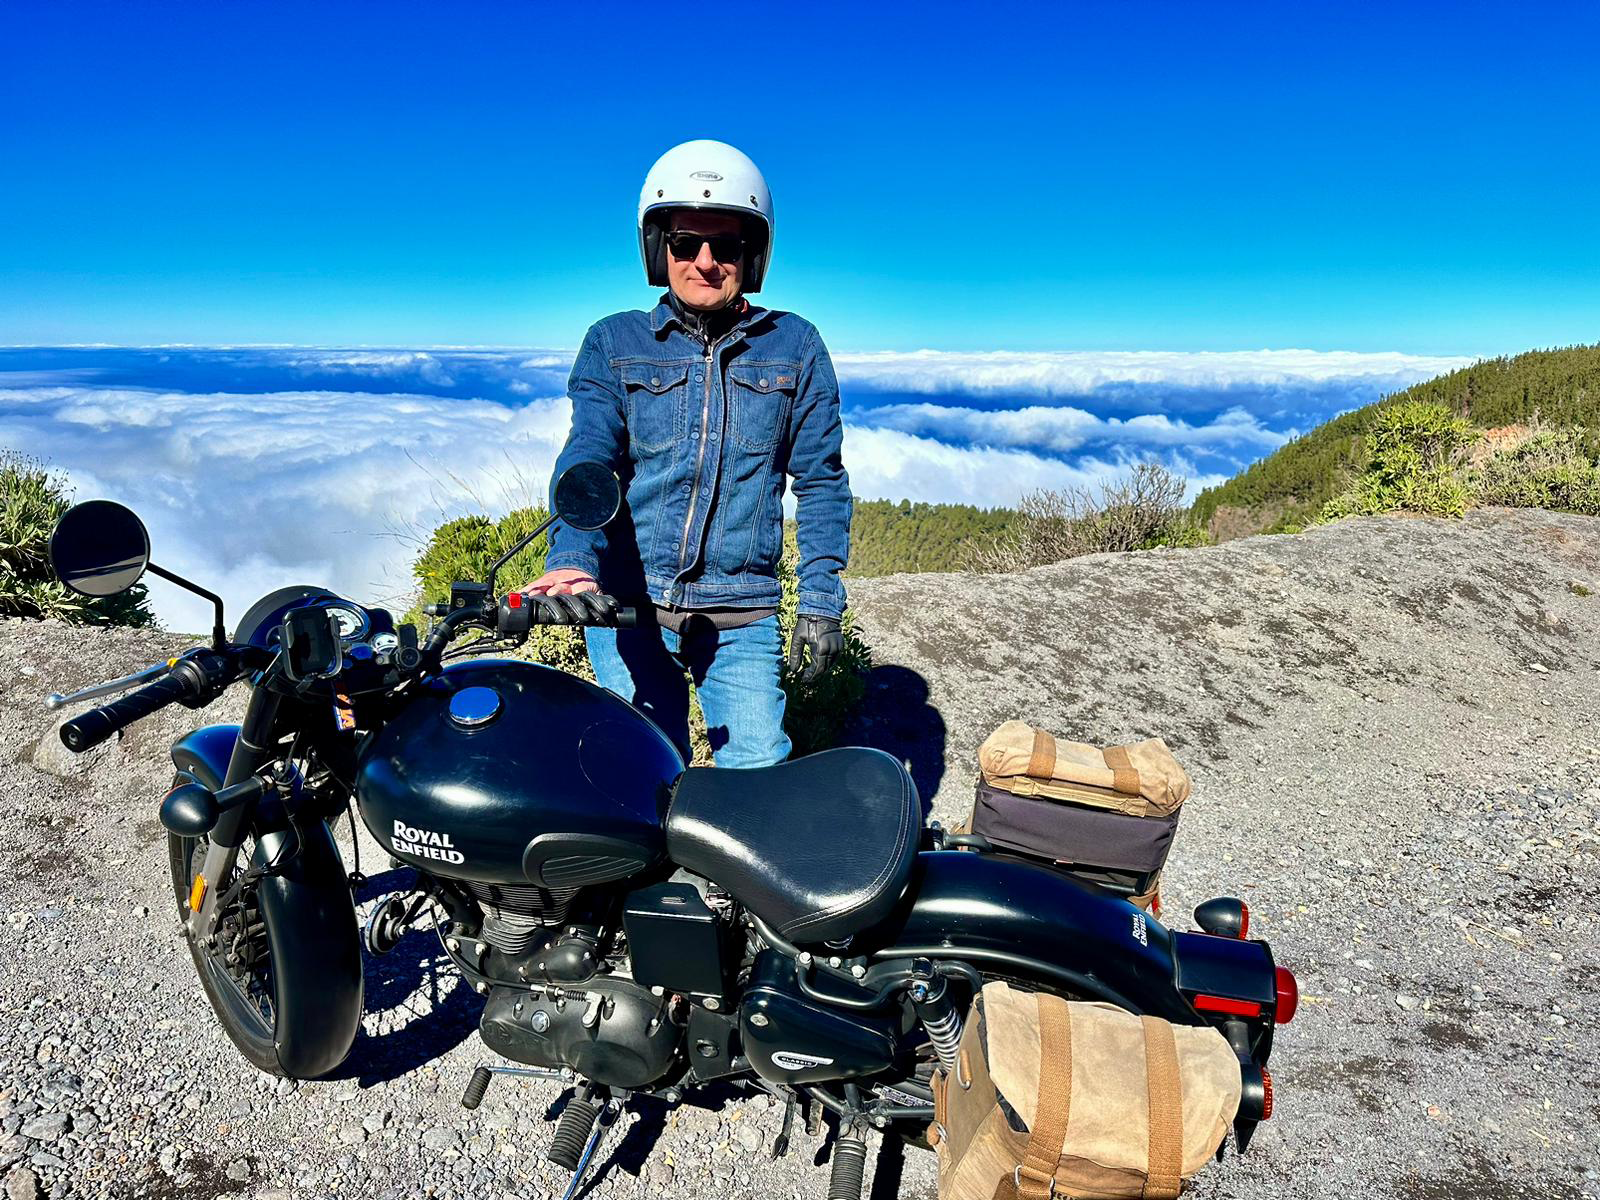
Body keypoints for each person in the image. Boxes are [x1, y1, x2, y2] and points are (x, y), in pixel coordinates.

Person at [523, 139, 850, 769]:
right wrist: (572, 561)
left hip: (740, 609)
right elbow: (589, 457)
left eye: (724, 246)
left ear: (750, 256)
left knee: (759, 775)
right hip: (628, 606)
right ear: (658, 249)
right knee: (638, 776)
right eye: (684, 244)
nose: (704, 261)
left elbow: (821, 480)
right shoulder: (614, 342)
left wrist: (820, 601)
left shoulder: (797, 345)